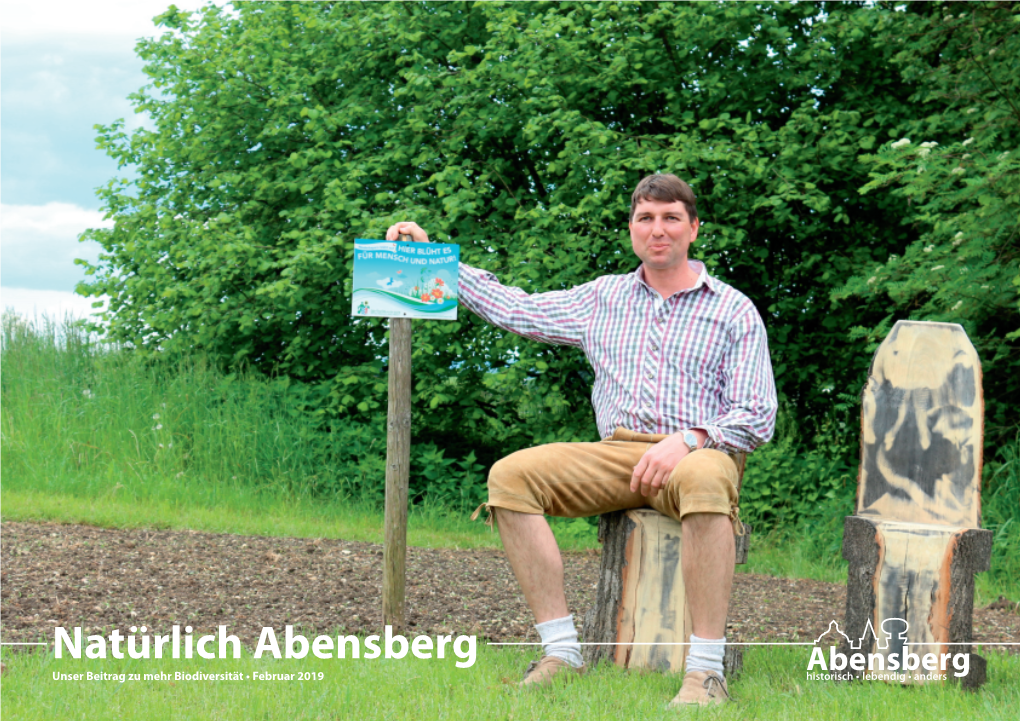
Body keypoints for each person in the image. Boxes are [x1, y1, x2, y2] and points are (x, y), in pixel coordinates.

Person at [385, 173, 777, 707]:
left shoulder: (733, 309)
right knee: (510, 476)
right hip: (616, 453)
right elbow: (517, 309)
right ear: (632, 228)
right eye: (645, 218)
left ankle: (705, 672)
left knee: (709, 478)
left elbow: (757, 414)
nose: (657, 230)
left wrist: (688, 440)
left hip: (697, 455)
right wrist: (436, 262)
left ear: (693, 228)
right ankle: (562, 650)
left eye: (670, 219)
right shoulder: (603, 297)